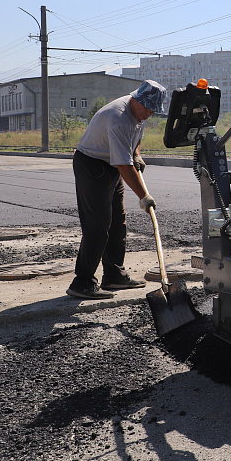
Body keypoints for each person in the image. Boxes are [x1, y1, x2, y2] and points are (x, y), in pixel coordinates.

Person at [67, 80, 166, 300]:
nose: (149, 113)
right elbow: (123, 165)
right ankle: (82, 282)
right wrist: (144, 196)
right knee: (98, 225)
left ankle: (114, 275)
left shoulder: (139, 113)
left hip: (110, 164)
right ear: (136, 99)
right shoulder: (118, 118)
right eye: (147, 108)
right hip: (92, 165)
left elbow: (135, 138)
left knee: (118, 222)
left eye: (153, 110)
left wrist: (137, 154)